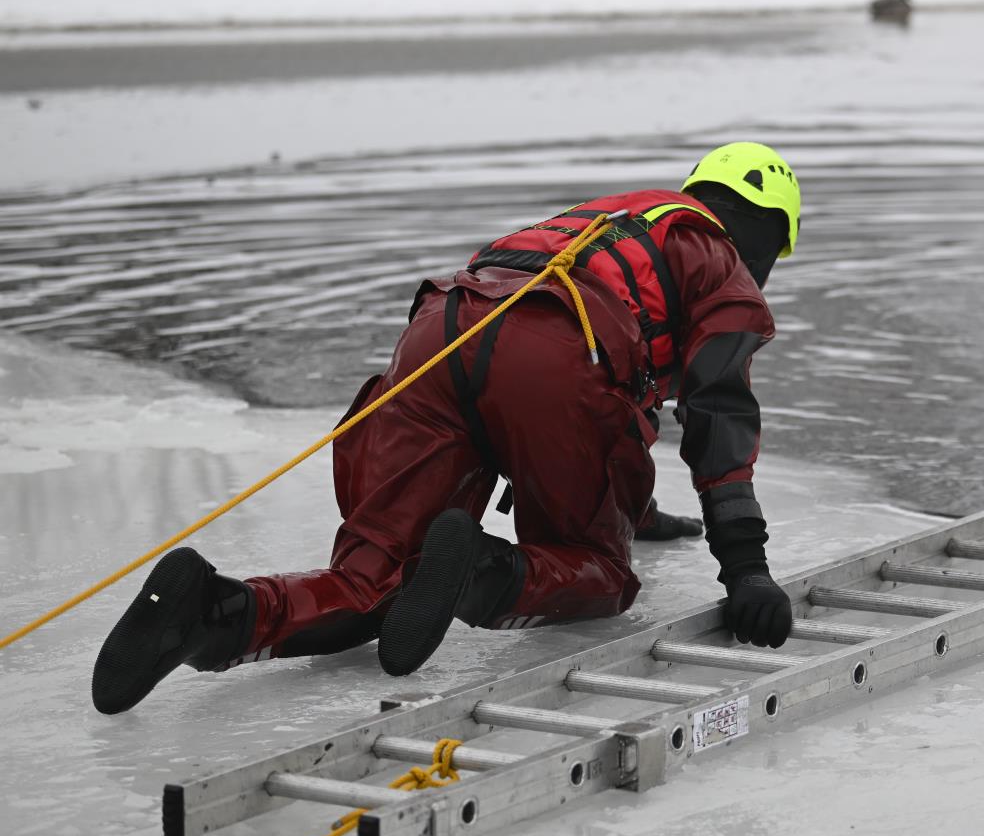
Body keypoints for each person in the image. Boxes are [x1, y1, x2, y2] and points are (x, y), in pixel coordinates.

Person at [93, 142, 801, 714]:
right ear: (766, 232)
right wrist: (746, 570)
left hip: (441, 332)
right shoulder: (717, 257)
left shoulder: (616, 222)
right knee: (602, 576)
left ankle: (216, 614)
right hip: (554, 354)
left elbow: (622, 408)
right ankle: (478, 574)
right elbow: (718, 406)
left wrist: (637, 512)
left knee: (374, 579)